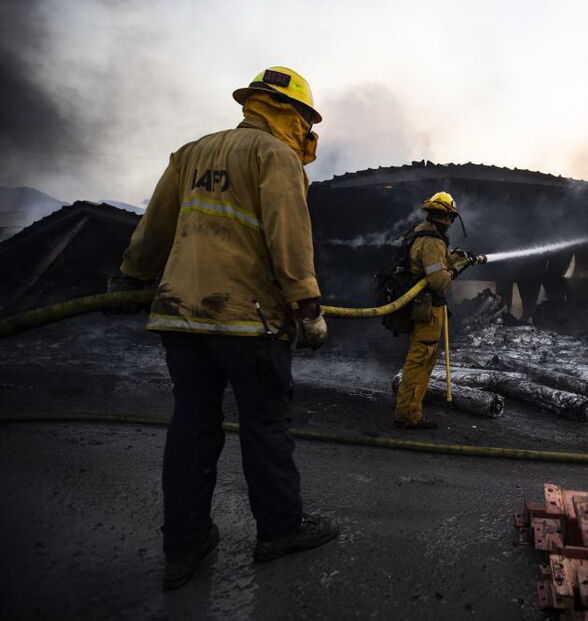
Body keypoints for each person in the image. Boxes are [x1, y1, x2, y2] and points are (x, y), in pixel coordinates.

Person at [110, 66, 337, 590]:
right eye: (307, 121)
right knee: (265, 427)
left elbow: (154, 229)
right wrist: (307, 306)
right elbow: (289, 238)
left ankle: (184, 546)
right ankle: (280, 531)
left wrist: (132, 277)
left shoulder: (191, 153)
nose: (308, 134)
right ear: (294, 115)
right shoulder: (276, 157)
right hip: (248, 321)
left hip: (180, 316)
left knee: (192, 427)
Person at [393, 192, 471, 429]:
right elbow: (438, 280)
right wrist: (456, 270)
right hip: (427, 309)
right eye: (451, 218)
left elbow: (434, 262)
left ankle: (406, 411)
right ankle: (409, 416)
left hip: (418, 305)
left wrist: (455, 258)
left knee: (419, 359)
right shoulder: (433, 240)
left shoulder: (422, 231)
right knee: (421, 360)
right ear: (447, 216)